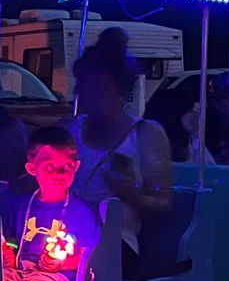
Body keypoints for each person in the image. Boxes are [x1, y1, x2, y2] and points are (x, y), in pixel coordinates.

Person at [0, 127, 100, 281]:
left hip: (57, 277)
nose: (59, 173)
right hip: (21, 269)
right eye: (50, 167)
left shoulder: (80, 212)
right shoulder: (24, 206)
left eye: (67, 167)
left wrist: (58, 263)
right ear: (32, 169)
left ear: (77, 167)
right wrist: (7, 251)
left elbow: (89, 257)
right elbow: (13, 241)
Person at [66, 28, 172, 241]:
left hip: (117, 245)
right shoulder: (70, 130)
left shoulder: (146, 133)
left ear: (107, 86)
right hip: (67, 238)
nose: (76, 91)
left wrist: (131, 195)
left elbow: (164, 202)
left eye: (83, 83)